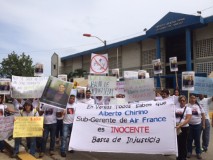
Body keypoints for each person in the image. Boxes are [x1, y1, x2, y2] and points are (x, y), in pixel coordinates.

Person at [187, 94, 205, 159]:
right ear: (189, 99)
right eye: (191, 98)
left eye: (194, 98)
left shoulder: (199, 106)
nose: (192, 99)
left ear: (195, 99)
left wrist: (203, 124)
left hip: (198, 125)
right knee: (189, 139)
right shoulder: (187, 106)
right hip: (189, 125)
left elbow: (203, 115)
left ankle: (198, 153)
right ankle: (189, 152)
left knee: (197, 139)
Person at [175, 95, 192, 160]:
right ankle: (178, 156)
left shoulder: (188, 109)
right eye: (181, 100)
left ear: (186, 101)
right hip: (176, 127)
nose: (182, 102)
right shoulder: (176, 108)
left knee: (183, 143)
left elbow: (187, 119)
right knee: (177, 143)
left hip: (184, 128)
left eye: (183, 100)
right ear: (179, 101)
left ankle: (183, 157)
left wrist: (180, 125)